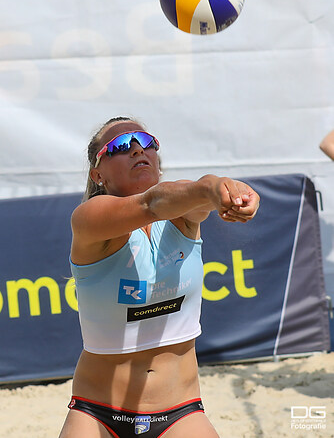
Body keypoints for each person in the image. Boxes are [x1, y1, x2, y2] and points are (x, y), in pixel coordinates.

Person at [59, 116, 260, 438]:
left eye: (146, 141)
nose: (138, 149)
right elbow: (153, 203)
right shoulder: (89, 218)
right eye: (122, 145)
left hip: (181, 411)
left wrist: (232, 192)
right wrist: (212, 187)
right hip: (97, 413)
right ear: (98, 174)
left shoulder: (182, 212)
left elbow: (196, 194)